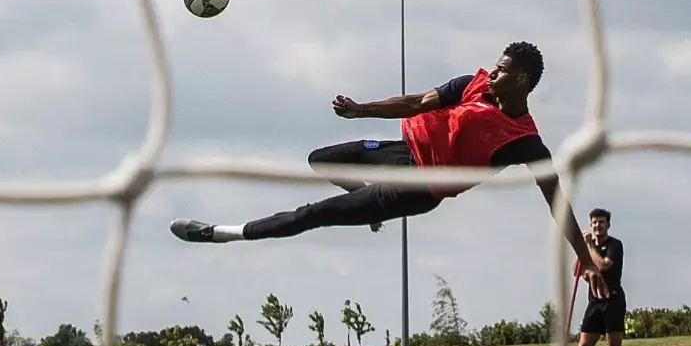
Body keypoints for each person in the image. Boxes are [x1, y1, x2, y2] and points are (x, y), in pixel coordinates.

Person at [170, 41, 608, 297]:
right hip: (401, 153)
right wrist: (361, 110)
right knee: (322, 159)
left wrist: (584, 255)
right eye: (496, 64)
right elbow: (418, 102)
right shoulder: (472, 85)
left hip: (417, 189)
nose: (494, 71)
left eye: (503, 70)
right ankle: (367, 205)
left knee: (312, 215)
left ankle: (220, 232)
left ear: (523, 82)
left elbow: (555, 198)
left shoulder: (525, 141)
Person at [562, 207, 625, 346]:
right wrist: (580, 250)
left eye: (601, 222)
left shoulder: (615, 245)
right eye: (594, 222)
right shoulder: (587, 247)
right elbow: (576, 272)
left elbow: (604, 265)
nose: (597, 226)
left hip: (613, 301)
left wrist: (588, 246)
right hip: (594, 303)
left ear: (608, 225)